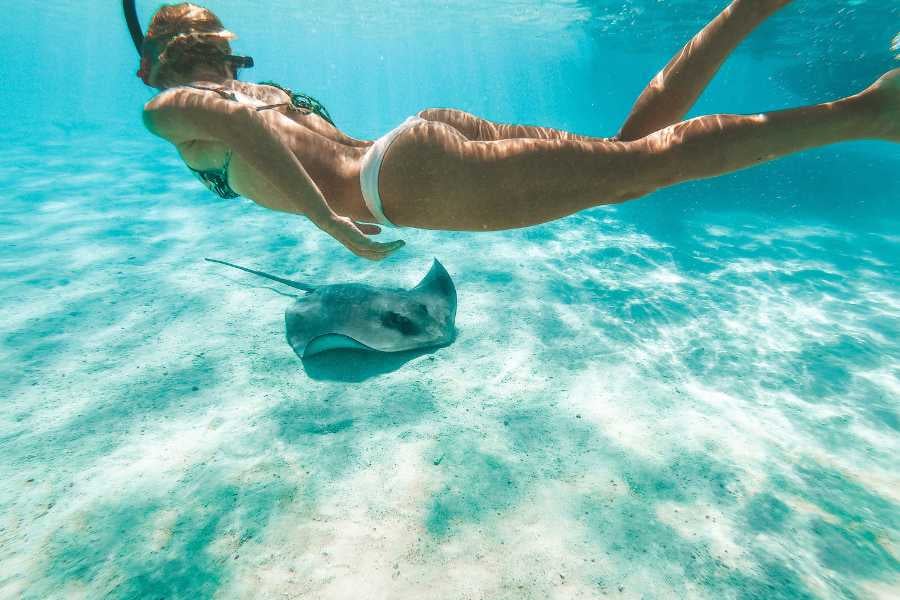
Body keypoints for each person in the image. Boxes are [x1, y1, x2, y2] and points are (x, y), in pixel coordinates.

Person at [140, 1, 898, 261]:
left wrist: (333, 226)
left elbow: (231, 128)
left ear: (159, 64)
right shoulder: (260, 86)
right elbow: (251, 120)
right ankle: (747, 13)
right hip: (418, 139)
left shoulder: (169, 107)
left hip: (395, 184)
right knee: (631, 156)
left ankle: (869, 112)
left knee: (645, 169)